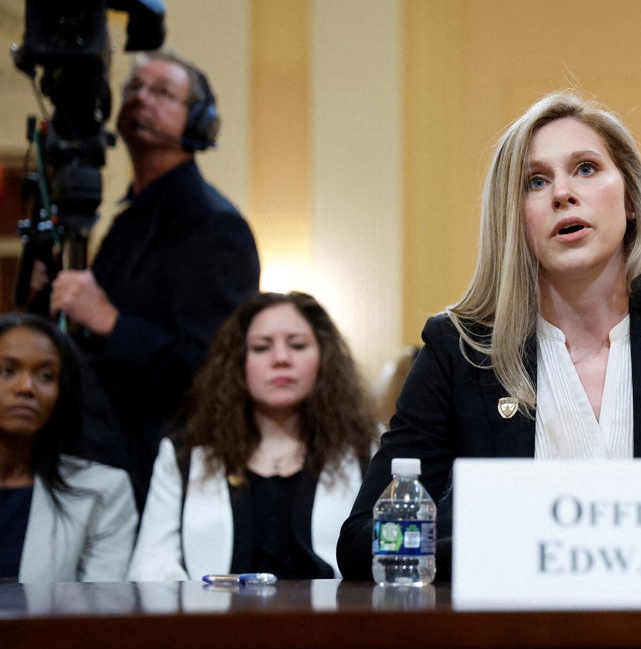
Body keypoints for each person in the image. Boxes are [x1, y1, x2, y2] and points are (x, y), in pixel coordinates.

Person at [337, 91, 641, 580]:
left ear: (631, 202)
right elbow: (362, 540)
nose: (562, 192)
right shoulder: (463, 352)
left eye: (585, 168)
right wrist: (519, 536)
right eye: (536, 182)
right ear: (514, 221)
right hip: (518, 647)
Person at [49, 49, 260, 506]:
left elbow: (214, 364)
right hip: (101, 452)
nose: (141, 98)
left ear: (199, 122)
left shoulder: (213, 224)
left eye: (162, 92)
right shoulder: (129, 219)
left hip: (158, 467)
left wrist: (109, 321)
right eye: (133, 89)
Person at [127, 292, 377, 580]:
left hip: (332, 621)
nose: (281, 359)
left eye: (297, 345)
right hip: (214, 620)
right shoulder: (185, 453)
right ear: (237, 362)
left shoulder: (367, 450)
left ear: (324, 357)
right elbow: (151, 568)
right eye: (261, 347)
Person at [0, 314, 136, 582]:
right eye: (7, 371)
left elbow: (98, 611)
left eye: (46, 376)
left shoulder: (103, 491)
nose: (26, 387)